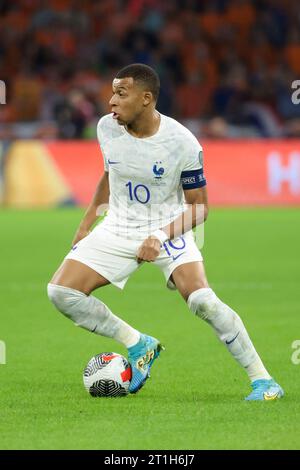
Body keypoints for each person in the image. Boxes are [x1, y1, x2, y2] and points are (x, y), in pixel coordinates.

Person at [47, 63, 283, 400]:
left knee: (202, 300)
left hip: (167, 227)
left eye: (121, 93)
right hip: (119, 224)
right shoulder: (106, 128)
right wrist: (85, 225)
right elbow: (109, 175)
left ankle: (263, 380)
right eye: (112, 92)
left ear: (146, 99)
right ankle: (138, 343)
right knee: (61, 292)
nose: (111, 101)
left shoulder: (181, 142)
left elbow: (199, 207)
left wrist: (159, 236)